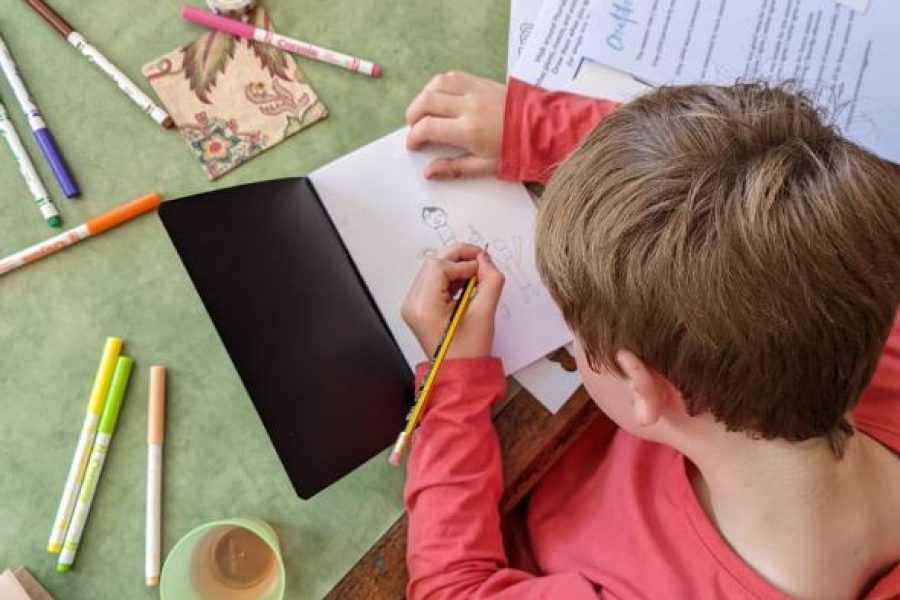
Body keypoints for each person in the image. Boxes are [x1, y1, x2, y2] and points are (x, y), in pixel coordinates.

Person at [398, 72, 900, 599]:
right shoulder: (862, 268)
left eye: (573, 326)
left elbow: (451, 591)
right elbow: (759, 187)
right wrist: (537, 129)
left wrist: (451, 389)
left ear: (642, 384)